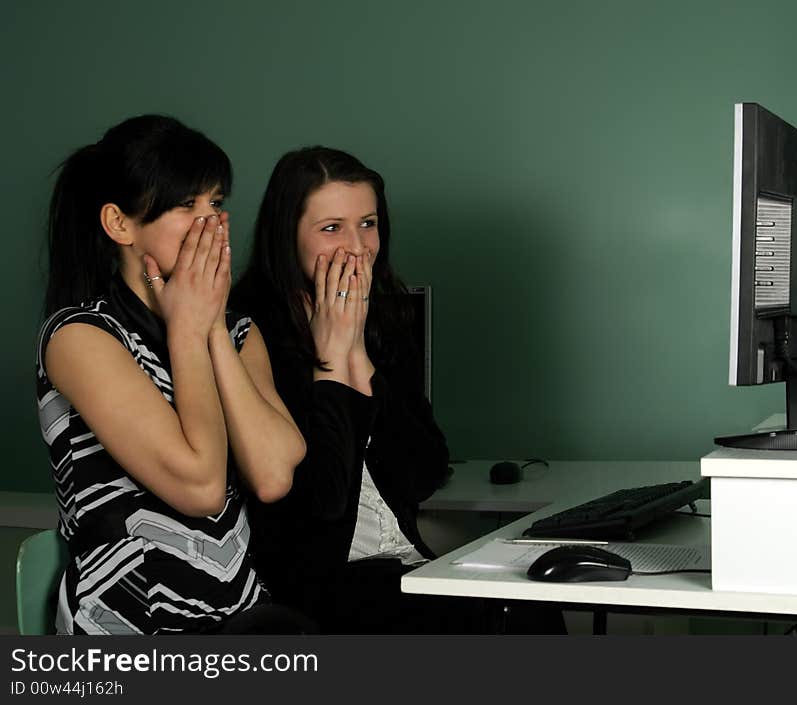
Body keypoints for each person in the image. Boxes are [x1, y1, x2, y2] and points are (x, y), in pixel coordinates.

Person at [232, 147, 564, 633]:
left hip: (402, 561)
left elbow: (426, 468)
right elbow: (318, 505)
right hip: (313, 578)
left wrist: (358, 352)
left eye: (367, 223)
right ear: (287, 237)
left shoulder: (385, 316)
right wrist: (330, 356)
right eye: (331, 228)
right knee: (499, 621)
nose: (356, 246)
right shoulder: (247, 333)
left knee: (530, 605)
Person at [36, 115, 310, 635]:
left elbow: (274, 474)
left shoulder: (237, 332)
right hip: (127, 621)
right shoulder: (80, 337)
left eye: (216, 203)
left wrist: (207, 329)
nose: (211, 223)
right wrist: (188, 330)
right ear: (120, 225)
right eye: (187, 205)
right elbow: (201, 487)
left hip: (238, 613)